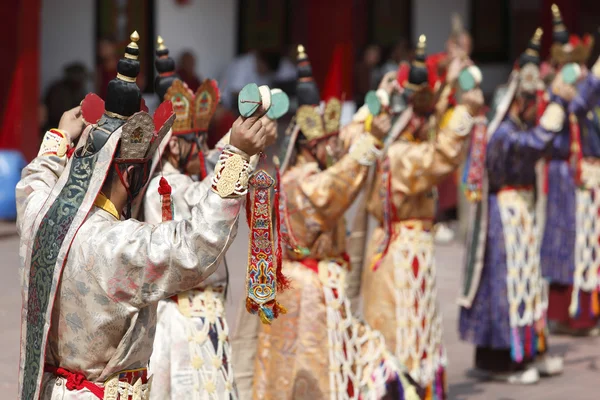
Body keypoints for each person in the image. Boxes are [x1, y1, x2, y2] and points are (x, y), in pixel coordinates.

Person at [16, 31, 269, 400]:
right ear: (129, 174)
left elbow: (34, 180)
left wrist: (58, 136)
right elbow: (196, 244)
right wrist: (238, 158)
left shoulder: (39, 213)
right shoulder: (116, 244)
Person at [245, 45, 420, 400]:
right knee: (311, 377)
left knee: (335, 371)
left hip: (320, 286)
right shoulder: (299, 181)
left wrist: (382, 95)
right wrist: (371, 141)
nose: (335, 149)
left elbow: (348, 143)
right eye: (328, 145)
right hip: (305, 292)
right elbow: (337, 184)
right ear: (311, 146)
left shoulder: (312, 167)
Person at [144, 37, 278, 400]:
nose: (203, 146)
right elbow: (209, 200)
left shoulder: (186, 173)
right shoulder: (164, 184)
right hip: (182, 317)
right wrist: (240, 153)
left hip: (205, 311)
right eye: (195, 139)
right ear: (172, 145)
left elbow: (214, 165)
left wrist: (243, 140)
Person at [359, 35, 483, 399]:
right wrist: (464, 113)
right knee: (402, 332)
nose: (425, 122)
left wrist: (450, 81)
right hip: (398, 253)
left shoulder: (396, 144)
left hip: (406, 249)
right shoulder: (399, 155)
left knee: (416, 328)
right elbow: (439, 157)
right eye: (421, 115)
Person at [459, 28, 570, 384]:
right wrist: (556, 112)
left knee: (528, 284)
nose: (533, 106)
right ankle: (503, 360)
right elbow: (528, 147)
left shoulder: (517, 126)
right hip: (501, 214)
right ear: (516, 99)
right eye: (529, 99)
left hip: (520, 212)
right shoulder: (503, 132)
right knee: (505, 287)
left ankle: (532, 350)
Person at [538, 4, 600, 336]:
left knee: (590, 243)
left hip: (587, 175)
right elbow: (574, 106)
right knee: (565, 242)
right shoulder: (558, 96)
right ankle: (565, 314)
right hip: (565, 175)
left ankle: (587, 312)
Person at [44, 63, 88, 132]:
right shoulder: (58, 90)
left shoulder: (79, 91)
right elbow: (55, 113)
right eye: (77, 76)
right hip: (56, 129)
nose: (80, 80)